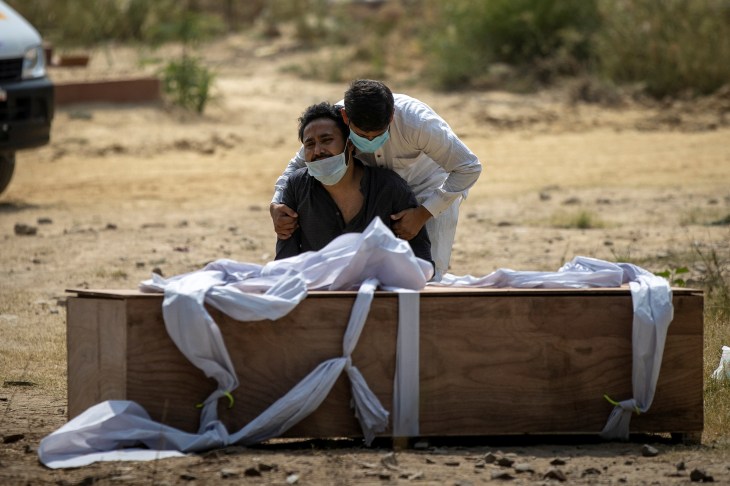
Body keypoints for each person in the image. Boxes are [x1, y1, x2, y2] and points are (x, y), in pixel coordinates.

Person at [271, 79, 481, 280]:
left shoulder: (418, 123)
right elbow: (297, 165)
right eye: (362, 135)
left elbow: (468, 167)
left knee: (427, 272)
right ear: (346, 117)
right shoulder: (336, 120)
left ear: (391, 116)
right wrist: (276, 203)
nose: (370, 140)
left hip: (428, 189)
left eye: (378, 134)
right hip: (375, 194)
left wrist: (423, 213)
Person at [275, 101, 433, 268]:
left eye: (327, 140)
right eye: (310, 144)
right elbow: (285, 262)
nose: (317, 151)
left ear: (349, 145)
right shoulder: (297, 187)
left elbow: (420, 260)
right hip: (317, 290)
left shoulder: (389, 187)